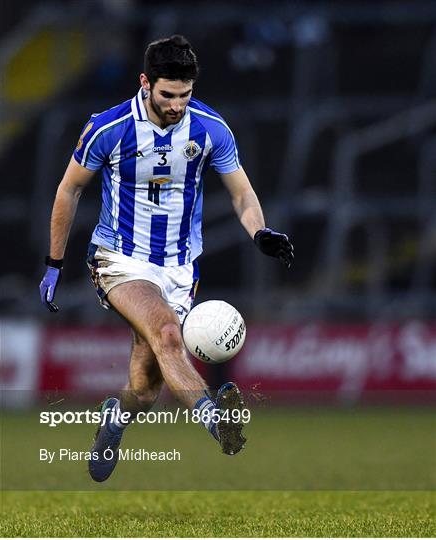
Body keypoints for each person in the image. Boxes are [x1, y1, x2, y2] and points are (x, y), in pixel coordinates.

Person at [39, 35, 294, 482]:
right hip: (119, 258)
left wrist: (259, 232)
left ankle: (115, 418)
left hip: (179, 267)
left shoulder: (210, 128)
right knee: (167, 334)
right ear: (145, 83)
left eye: (185, 95)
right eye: (167, 95)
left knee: (145, 385)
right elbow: (69, 188)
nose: (177, 105)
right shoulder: (109, 127)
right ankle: (218, 421)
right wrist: (54, 263)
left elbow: (241, 192)